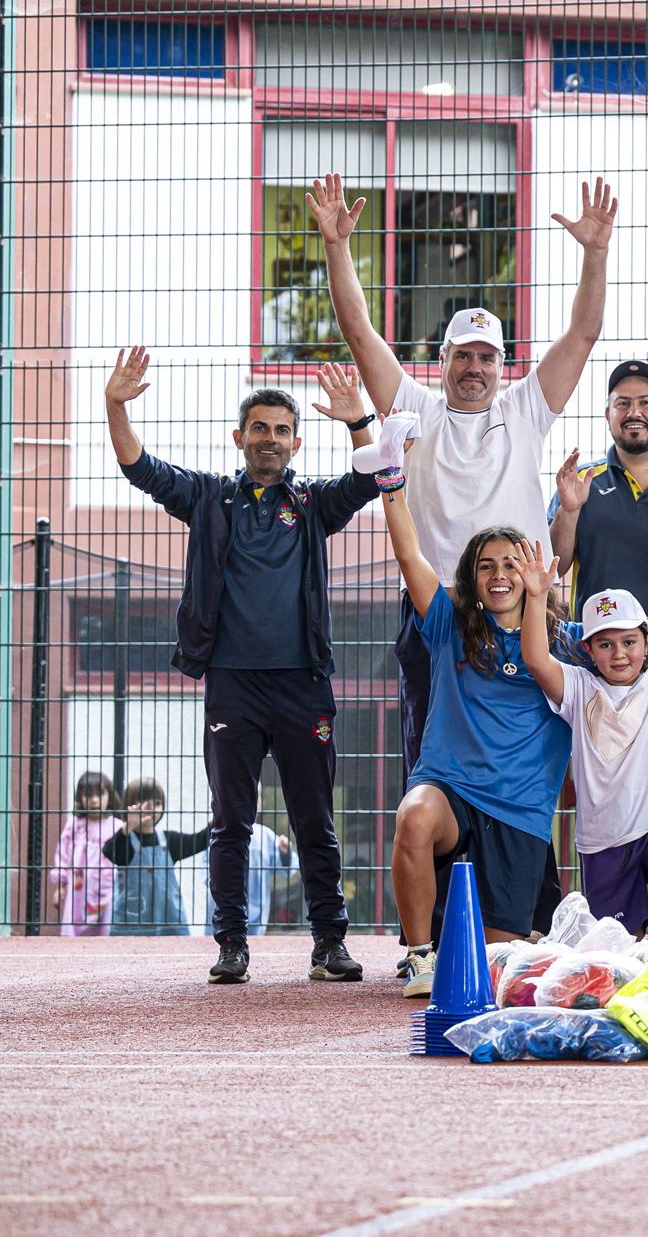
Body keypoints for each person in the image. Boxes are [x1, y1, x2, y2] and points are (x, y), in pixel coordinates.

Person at [308, 171, 618, 775]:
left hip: (522, 612)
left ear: (502, 366)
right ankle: (442, 868)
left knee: (528, 760)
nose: (474, 367)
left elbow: (583, 333)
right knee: (432, 765)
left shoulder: (525, 410)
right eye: (462, 355)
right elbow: (358, 331)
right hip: (440, 612)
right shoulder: (414, 409)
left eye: (487, 357)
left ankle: (528, 873)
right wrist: (337, 246)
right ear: (441, 358)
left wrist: (596, 254)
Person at [107, 347, 374, 985]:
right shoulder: (208, 497)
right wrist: (116, 403)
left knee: (315, 819)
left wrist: (356, 419)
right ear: (240, 437)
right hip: (233, 686)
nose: (271, 439)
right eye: (260, 428)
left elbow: (374, 477)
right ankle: (231, 945)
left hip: (302, 685)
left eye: (282, 431)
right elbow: (138, 467)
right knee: (231, 821)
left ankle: (329, 944)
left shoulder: (312, 503)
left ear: (297, 443)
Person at [369, 419, 577, 997]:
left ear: (531, 571)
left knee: (494, 972)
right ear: (472, 577)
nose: (499, 573)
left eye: (511, 563)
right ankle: (417, 957)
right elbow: (409, 553)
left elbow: (640, 640)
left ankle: (499, 942)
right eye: (486, 565)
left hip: (518, 809)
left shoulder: (565, 641)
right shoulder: (448, 625)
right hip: (451, 787)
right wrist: (391, 481)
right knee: (414, 815)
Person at [514, 508, 648, 940]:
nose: (619, 653)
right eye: (605, 644)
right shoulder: (577, 688)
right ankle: (646, 938)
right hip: (604, 844)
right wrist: (536, 598)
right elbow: (536, 659)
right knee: (614, 957)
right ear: (588, 651)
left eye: (629, 641)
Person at [548, 361, 648, 647]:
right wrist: (569, 511)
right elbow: (555, 567)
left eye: (646, 402)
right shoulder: (582, 482)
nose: (633, 413)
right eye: (622, 404)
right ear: (607, 414)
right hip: (600, 656)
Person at [102, 778, 198, 936]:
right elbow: (108, 851)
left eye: (158, 803)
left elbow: (199, 840)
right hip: (131, 921)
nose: (152, 808)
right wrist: (127, 828)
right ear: (130, 805)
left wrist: (220, 819)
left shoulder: (169, 840)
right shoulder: (125, 840)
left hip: (168, 919)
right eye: (144, 802)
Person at [48, 773, 119, 937]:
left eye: (100, 794)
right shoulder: (74, 826)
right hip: (78, 890)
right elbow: (63, 857)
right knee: (73, 931)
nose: (94, 800)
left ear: (110, 795)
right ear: (80, 798)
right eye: (88, 795)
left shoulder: (117, 827)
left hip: (109, 891)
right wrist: (60, 888)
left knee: (107, 933)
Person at [204, 824, 297, 938]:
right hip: (225, 900)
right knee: (220, 938)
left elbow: (287, 868)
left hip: (256, 903)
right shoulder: (221, 830)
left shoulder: (264, 834)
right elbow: (205, 868)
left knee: (254, 942)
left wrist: (285, 853)